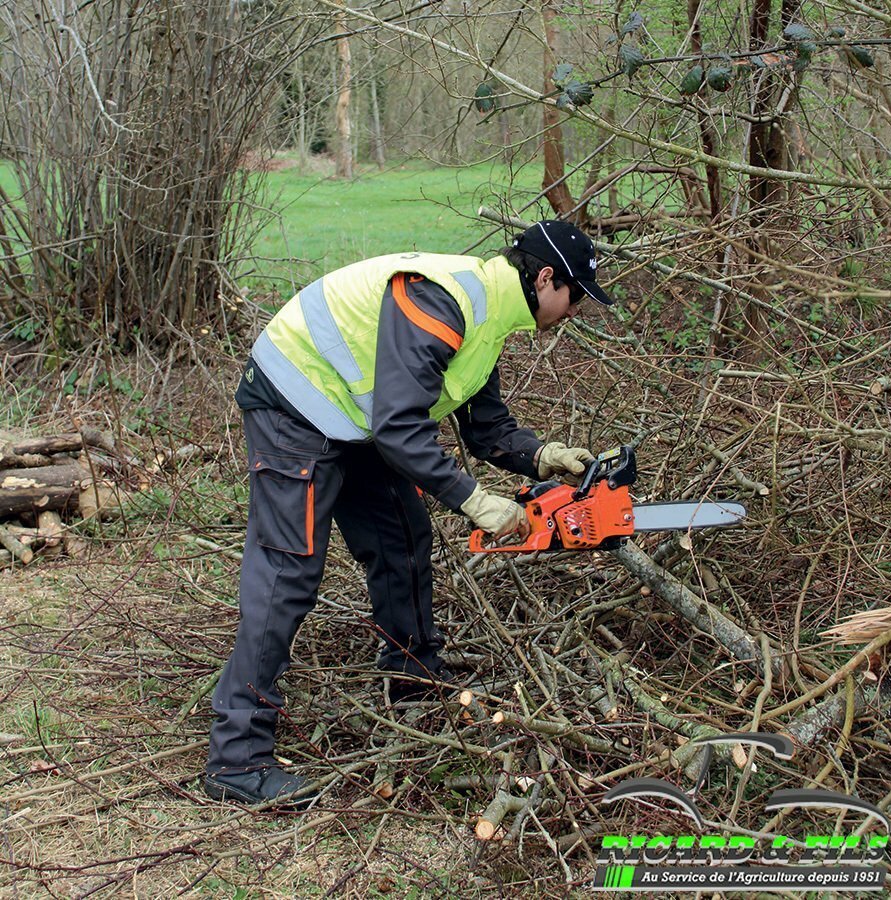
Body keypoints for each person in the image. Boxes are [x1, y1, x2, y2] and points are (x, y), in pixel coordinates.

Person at [204, 220, 612, 806]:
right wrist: (474, 501)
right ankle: (236, 759)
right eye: (575, 296)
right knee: (287, 571)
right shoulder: (443, 299)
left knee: (401, 535)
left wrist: (542, 457)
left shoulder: (490, 316)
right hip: (297, 399)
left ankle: (413, 678)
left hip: (356, 416)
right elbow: (398, 424)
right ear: (546, 278)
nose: (573, 311)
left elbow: (486, 426)